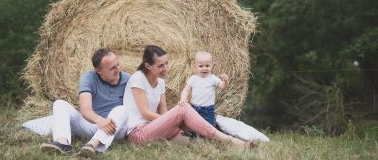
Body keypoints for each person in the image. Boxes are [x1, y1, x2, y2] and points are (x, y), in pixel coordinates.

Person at [123, 45, 253, 147]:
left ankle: (219, 139)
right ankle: (233, 141)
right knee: (183, 107)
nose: (166, 68)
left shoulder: (160, 82)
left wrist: (174, 121)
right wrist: (175, 119)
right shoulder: (138, 78)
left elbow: (163, 112)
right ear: (148, 66)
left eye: (166, 63)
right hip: (138, 134)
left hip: (155, 129)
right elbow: (145, 113)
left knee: (192, 141)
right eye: (160, 65)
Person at [40, 48, 130, 157]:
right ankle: (62, 142)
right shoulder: (89, 77)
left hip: (116, 128)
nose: (118, 70)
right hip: (94, 123)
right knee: (59, 104)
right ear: (98, 71)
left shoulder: (129, 79)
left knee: (121, 110)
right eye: (112, 68)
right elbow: (85, 109)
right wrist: (100, 120)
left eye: (118, 65)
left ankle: (92, 145)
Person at [179, 51, 228, 126]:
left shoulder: (213, 78)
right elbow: (185, 90)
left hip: (208, 110)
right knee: (193, 126)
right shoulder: (193, 79)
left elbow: (223, 87)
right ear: (195, 66)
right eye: (201, 66)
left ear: (212, 65)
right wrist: (183, 98)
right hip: (194, 108)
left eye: (207, 66)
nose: (204, 68)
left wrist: (225, 80)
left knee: (209, 127)